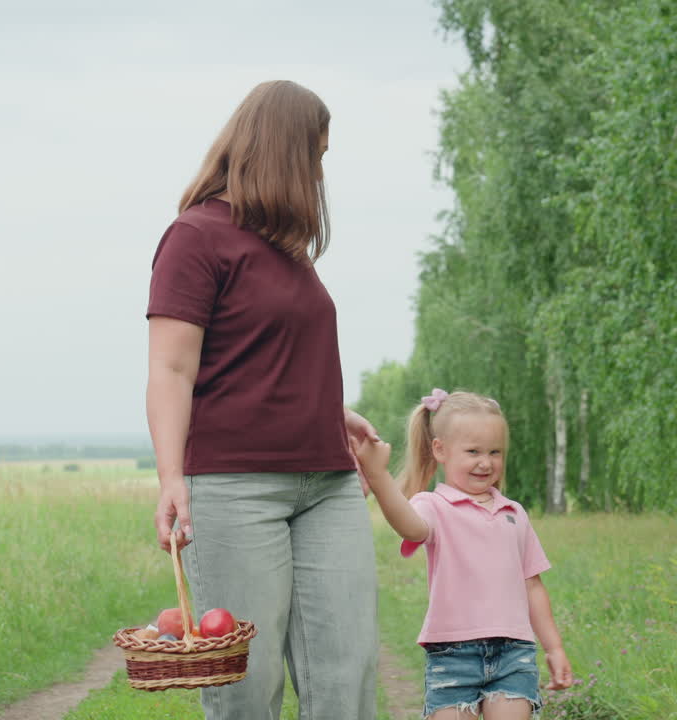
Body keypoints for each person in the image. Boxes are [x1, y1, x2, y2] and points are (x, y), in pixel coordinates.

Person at [145, 80, 379, 719]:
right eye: (317, 156)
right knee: (243, 684)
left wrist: (327, 409)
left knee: (347, 675)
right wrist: (171, 477)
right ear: (286, 152)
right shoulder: (195, 237)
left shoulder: (288, 250)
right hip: (232, 486)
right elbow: (170, 367)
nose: (321, 174)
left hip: (328, 483)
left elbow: (266, 350)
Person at [352, 389, 573, 720]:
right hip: (452, 655)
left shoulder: (514, 513)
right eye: (473, 451)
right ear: (440, 449)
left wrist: (554, 648)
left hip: (514, 654)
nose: (486, 462)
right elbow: (410, 528)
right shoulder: (433, 506)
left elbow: (533, 586)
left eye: (495, 452)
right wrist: (379, 476)